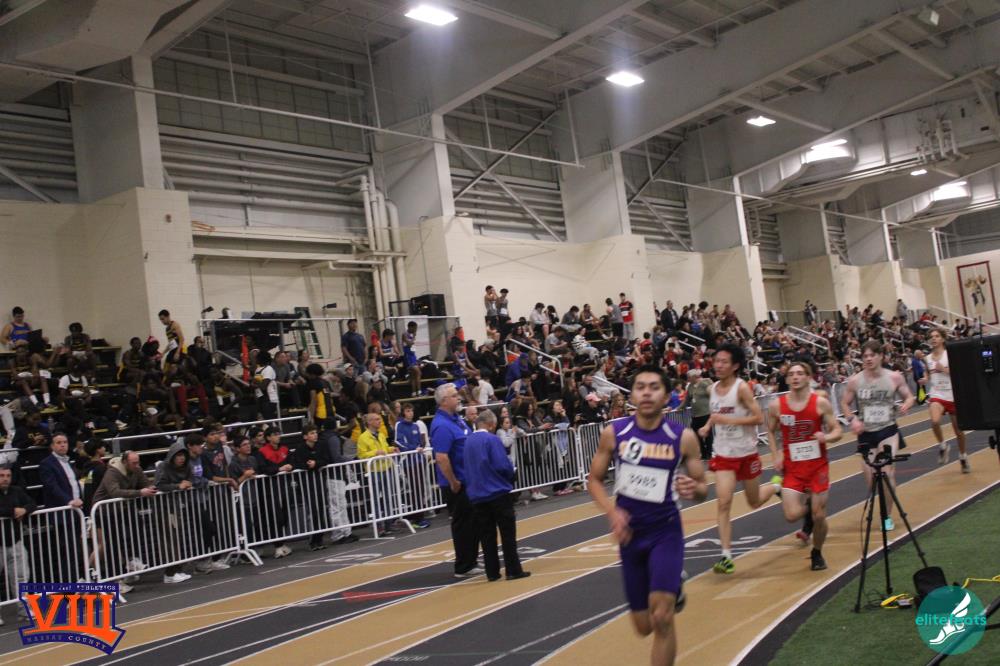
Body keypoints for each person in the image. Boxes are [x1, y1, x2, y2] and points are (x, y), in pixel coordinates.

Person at [588, 366, 707, 666]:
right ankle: (674, 590)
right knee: (643, 627)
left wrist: (694, 489)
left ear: (666, 397)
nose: (646, 393)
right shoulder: (614, 433)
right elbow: (594, 480)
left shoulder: (683, 437)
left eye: (654, 387)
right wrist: (612, 512)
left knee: (662, 617)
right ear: (632, 395)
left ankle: (669, 594)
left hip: (665, 531)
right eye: (640, 387)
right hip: (631, 535)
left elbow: (702, 487)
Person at [698, 343, 780, 575]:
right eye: (716, 361)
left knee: (753, 502)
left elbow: (758, 418)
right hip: (724, 454)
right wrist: (707, 426)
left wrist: (729, 421)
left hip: (746, 453)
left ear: (735, 366)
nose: (718, 365)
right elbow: (717, 413)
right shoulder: (712, 388)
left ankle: (775, 487)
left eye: (724, 362)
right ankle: (726, 556)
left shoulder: (741, 388)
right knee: (723, 502)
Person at [766, 361, 842, 571]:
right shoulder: (777, 405)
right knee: (791, 516)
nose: (795, 377)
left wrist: (825, 437)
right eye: (791, 374)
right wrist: (776, 454)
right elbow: (770, 430)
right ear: (787, 379)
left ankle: (817, 552)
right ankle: (809, 506)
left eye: (800, 373)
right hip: (793, 468)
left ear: (808, 377)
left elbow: (837, 430)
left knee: (820, 515)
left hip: (817, 467)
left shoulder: (820, 403)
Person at [839, 340, 915, 532]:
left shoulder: (894, 377)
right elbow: (845, 403)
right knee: (873, 480)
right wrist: (852, 420)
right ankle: (884, 508)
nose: (868, 359)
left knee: (887, 473)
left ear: (881, 356)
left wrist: (907, 403)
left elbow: (909, 396)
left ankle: (886, 516)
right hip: (866, 433)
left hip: (888, 430)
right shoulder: (855, 381)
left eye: (872, 355)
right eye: (865, 356)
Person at [464, 410, 529, 582]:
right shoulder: (492, 440)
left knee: (486, 536)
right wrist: (511, 475)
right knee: (507, 533)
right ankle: (513, 569)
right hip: (496, 492)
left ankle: (492, 572)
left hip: (477, 494)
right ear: (491, 424)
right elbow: (502, 465)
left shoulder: (468, 441)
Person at [430, 383, 481, 578]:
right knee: (463, 524)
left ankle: (471, 560)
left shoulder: (456, 420)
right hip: (457, 483)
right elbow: (441, 457)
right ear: (444, 401)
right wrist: (453, 481)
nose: (458, 398)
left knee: (473, 522)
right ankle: (464, 565)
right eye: (454, 395)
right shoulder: (441, 425)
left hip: (468, 479)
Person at [925, 329, 969, 472]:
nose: (934, 339)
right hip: (937, 395)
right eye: (931, 337)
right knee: (935, 421)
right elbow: (928, 374)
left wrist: (944, 369)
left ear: (943, 339)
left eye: (937, 336)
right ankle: (943, 446)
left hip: (953, 395)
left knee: (959, 432)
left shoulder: (949, 354)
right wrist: (924, 379)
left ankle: (963, 456)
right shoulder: (927, 358)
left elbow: (959, 372)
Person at [0, 464, 35, 626]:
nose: (5, 479)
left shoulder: (16, 491)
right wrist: (14, 511)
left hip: (15, 541)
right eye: (2, 476)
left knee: (21, 577)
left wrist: (25, 510)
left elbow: (32, 503)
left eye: (8, 476)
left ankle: (24, 609)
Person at [685, 370, 713, 460]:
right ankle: (703, 452)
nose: (688, 379)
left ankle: (709, 453)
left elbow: (712, 394)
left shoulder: (705, 383)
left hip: (706, 413)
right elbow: (687, 399)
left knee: (708, 434)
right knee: (695, 435)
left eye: (689, 377)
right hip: (695, 415)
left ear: (695, 377)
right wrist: (679, 408)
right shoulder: (690, 386)